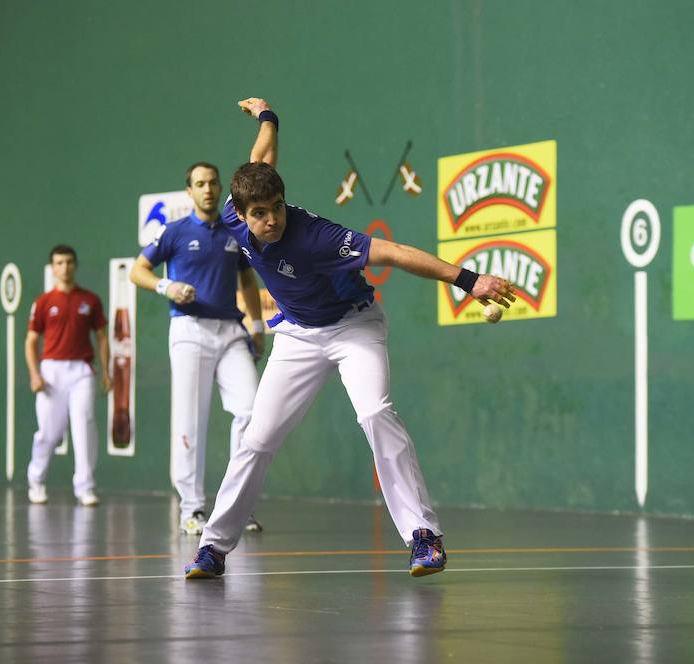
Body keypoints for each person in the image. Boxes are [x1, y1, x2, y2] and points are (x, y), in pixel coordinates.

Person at [184, 98, 516, 579]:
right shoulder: (239, 213)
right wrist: (268, 116)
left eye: (277, 207)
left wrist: (469, 281)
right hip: (297, 334)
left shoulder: (317, 236)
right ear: (241, 213)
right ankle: (213, 547)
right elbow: (263, 155)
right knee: (257, 438)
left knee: (375, 412)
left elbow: (397, 253)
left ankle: (424, 536)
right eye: (261, 213)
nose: (272, 219)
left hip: (353, 326)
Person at [130, 162, 267, 535]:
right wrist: (167, 287)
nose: (208, 190)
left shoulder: (234, 233)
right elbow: (137, 270)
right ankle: (191, 509)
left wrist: (257, 326)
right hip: (189, 332)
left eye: (213, 183)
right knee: (190, 420)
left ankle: (237, 506)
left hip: (230, 332)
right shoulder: (173, 233)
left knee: (253, 412)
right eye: (200, 184)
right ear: (189, 191)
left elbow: (247, 280)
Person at [26, 245, 112, 507]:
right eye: (59, 263)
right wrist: (34, 374)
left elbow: (102, 337)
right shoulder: (42, 302)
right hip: (51, 371)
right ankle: (36, 479)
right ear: (53, 268)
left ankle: (85, 486)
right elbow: (30, 341)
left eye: (69, 262)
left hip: (81, 371)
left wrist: (106, 371)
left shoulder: (90, 300)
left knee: (84, 424)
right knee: (49, 433)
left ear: (75, 265)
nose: (64, 267)